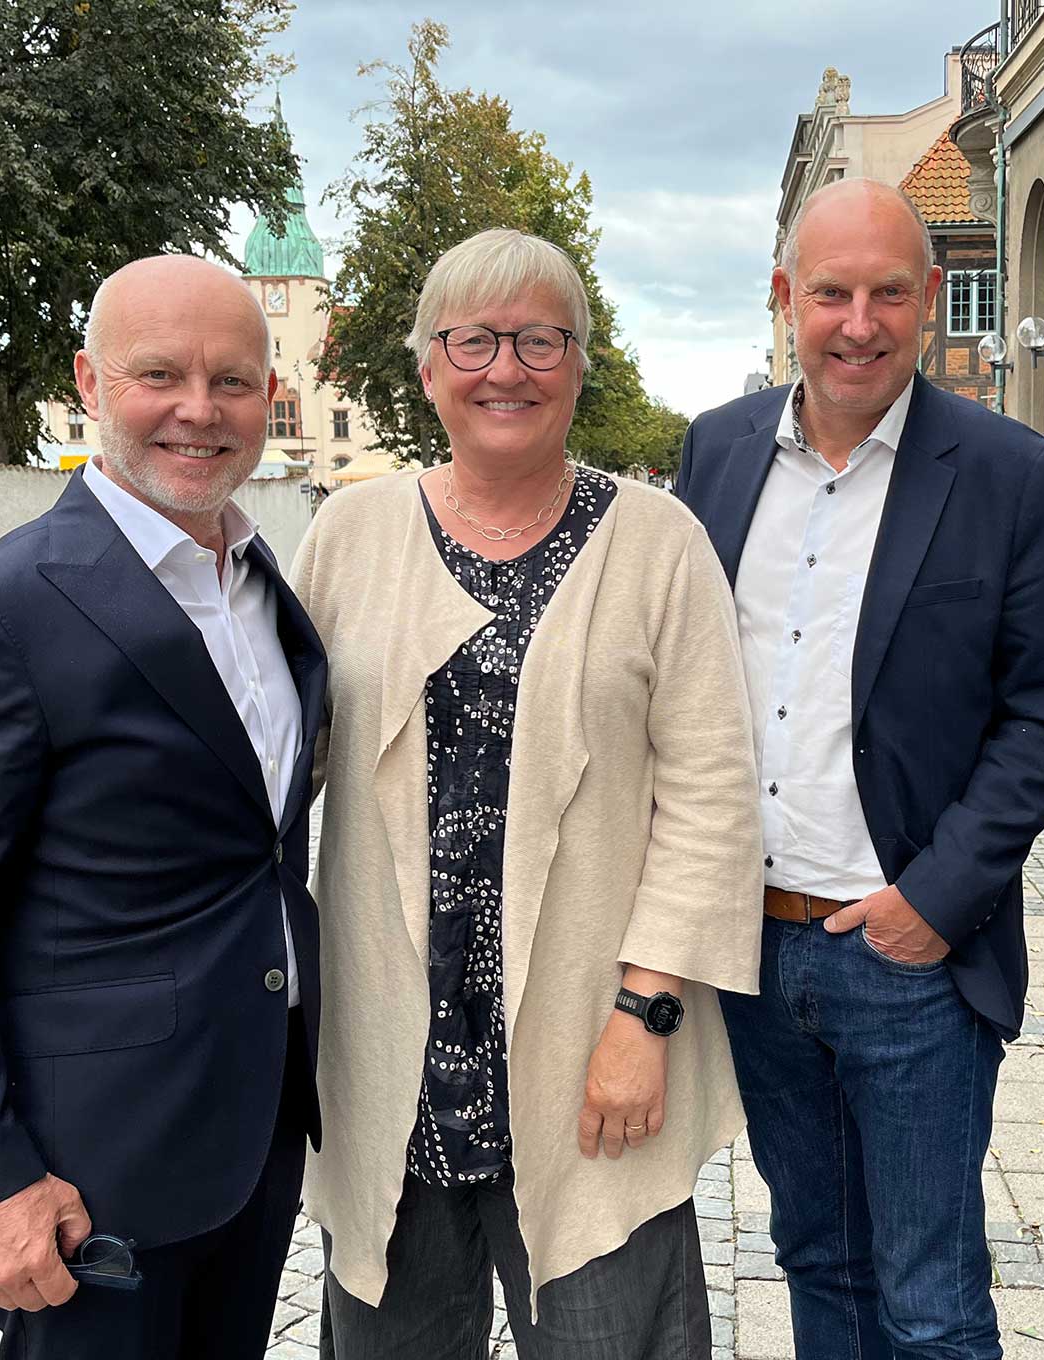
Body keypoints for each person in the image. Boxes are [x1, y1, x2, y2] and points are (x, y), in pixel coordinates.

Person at [291, 227, 762, 1360]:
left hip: (591, 1056)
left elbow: (712, 796)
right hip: (392, 1067)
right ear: (425, 368)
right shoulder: (348, 533)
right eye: (474, 339)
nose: (507, 367)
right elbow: (264, 756)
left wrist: (645, 1018)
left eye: (540, 338)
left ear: (580, 361)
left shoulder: (657, 542)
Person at [0, 254, 326, 1359]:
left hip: (252, 1135)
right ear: (89, 381)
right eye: (158, 373)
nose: (198, 411)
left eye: (234, 381)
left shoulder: (263, 586)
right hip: (88, 1174)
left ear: (270, 394)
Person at [675, 177, 1044, 1358]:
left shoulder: (1012, 473)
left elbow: (1043, 711)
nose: (858, 323)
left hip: (905, 949)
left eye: (889, 294)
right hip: (753, 945)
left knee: (930, 1299)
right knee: (816, 1257)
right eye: (830, 293)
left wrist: (932, 902)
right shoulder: (713, 452)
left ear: (927, 303)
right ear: (783, 299)